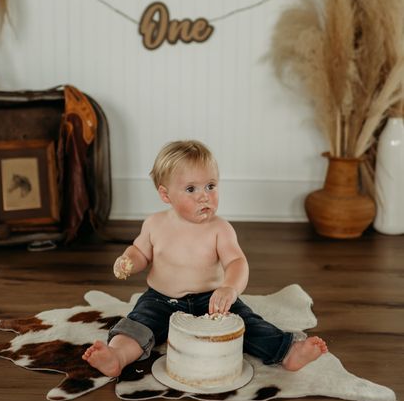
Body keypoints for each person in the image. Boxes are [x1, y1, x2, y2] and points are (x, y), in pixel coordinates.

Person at [82, 139, 327, 377]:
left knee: (248, 323)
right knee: (138, 325)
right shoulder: (154, 224)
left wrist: (229, 288)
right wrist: (128, 261)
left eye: (210, 186)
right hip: (160, 300)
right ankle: (117, 356)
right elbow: (140, 252)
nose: (204, 196)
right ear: (166, 195)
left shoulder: (220, 229)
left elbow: (236, 262)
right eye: (191, 189)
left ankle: (287, 352)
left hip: (212, 299)